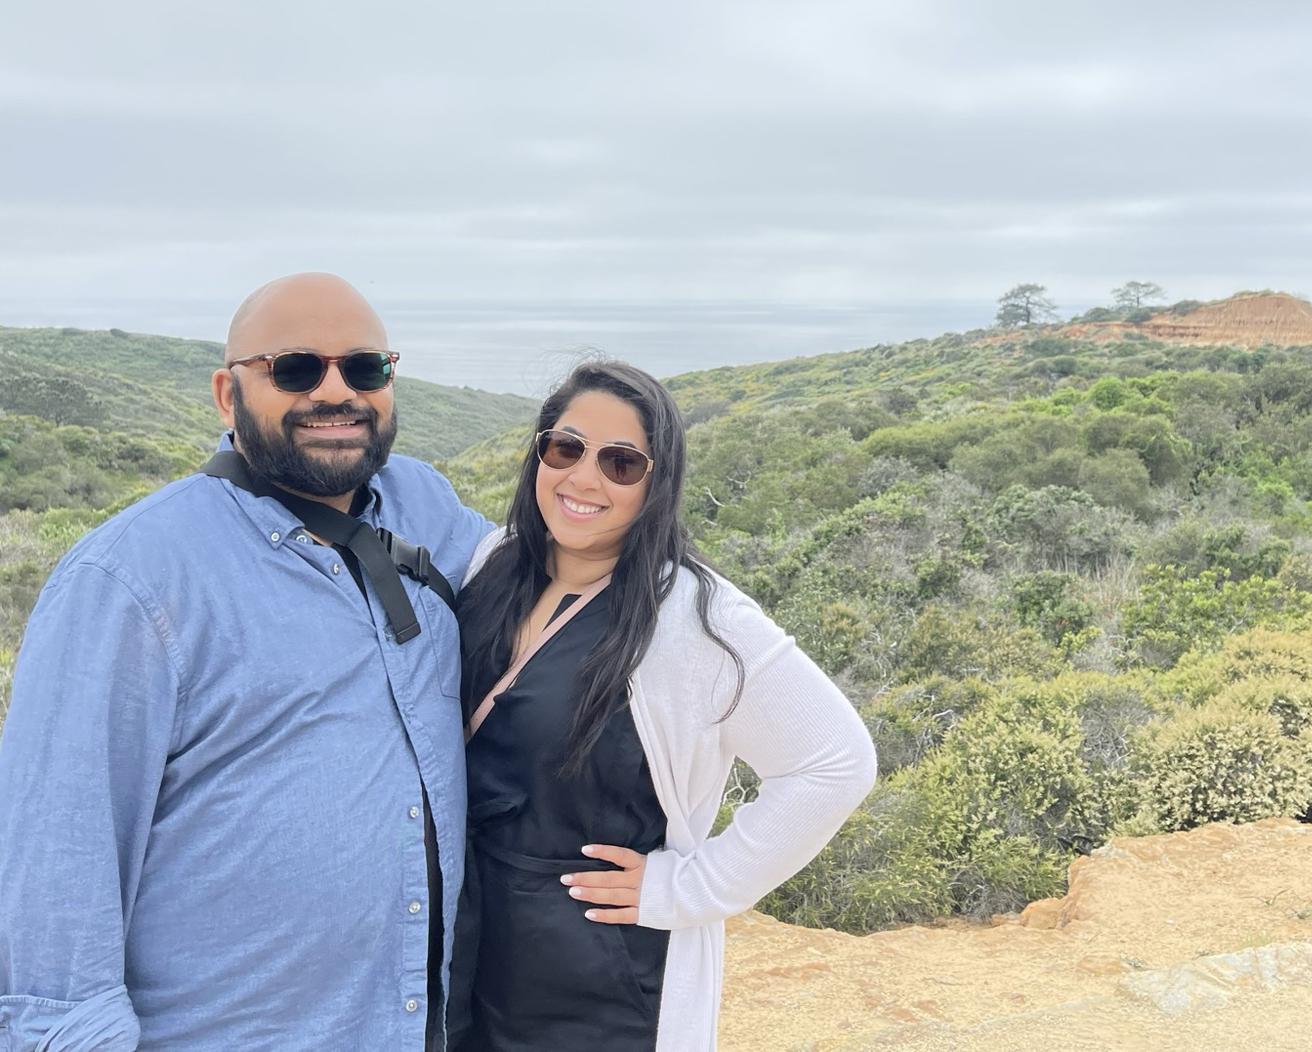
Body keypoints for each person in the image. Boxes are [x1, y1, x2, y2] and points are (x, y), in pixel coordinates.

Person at [0, 273, 493, 1051]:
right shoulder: (130, 582)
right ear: (228, 395)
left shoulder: (422, 506)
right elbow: (58, 879)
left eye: (365, 369)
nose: (337, 392)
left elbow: (566, 574)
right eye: (296, 368)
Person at [453, 359, 877, 1052]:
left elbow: (836, 762)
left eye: (621, 463)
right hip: (467, 951)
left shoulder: (696, 621)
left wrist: (690, 888)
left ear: (657, 484)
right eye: (566, 448)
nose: (584, 478)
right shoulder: (493, 564)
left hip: (601, 984)